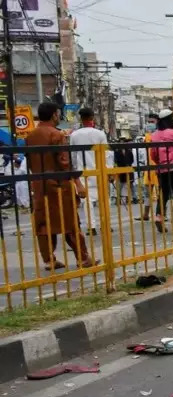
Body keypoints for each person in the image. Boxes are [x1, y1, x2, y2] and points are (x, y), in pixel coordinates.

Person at [26, 101, 94, 270]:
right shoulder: (57, 135)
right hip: (59, 185)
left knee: (44, 224)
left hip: (39, 185)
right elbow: (65, 163)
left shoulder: (30, 137)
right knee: (70, 222)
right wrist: (78, 184)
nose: (58, 117)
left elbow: (29, 162)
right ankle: (83, 258)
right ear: (53, 115)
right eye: (57, 114)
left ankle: (49, 260)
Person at [68, 106, 113, 237]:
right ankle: (106, 225)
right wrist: (109, 171)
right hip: (100, 170)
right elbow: (107, 153)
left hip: (83, 172)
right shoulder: (100, 134)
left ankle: (91, 227)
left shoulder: (74, 135)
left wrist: (74, 171)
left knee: (86, 202)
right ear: (92, 118)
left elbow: (73, 156)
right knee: (104, 199)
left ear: (81, 119)